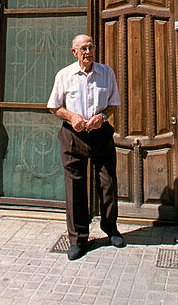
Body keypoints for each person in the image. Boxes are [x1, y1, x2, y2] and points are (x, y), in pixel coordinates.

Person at [47, 33, 125, 260]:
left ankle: (111, 229)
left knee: (108, 183)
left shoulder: (107, 73)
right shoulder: (64, 75)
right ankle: (78, 239)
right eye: (83, 49)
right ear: (74, 52)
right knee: (75, 188)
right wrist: (71, 117)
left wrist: (102, 117)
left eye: (90, 47)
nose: (88, 52)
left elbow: (113, 105)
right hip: (73, 136)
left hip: (100, 134)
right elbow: (54, 107)